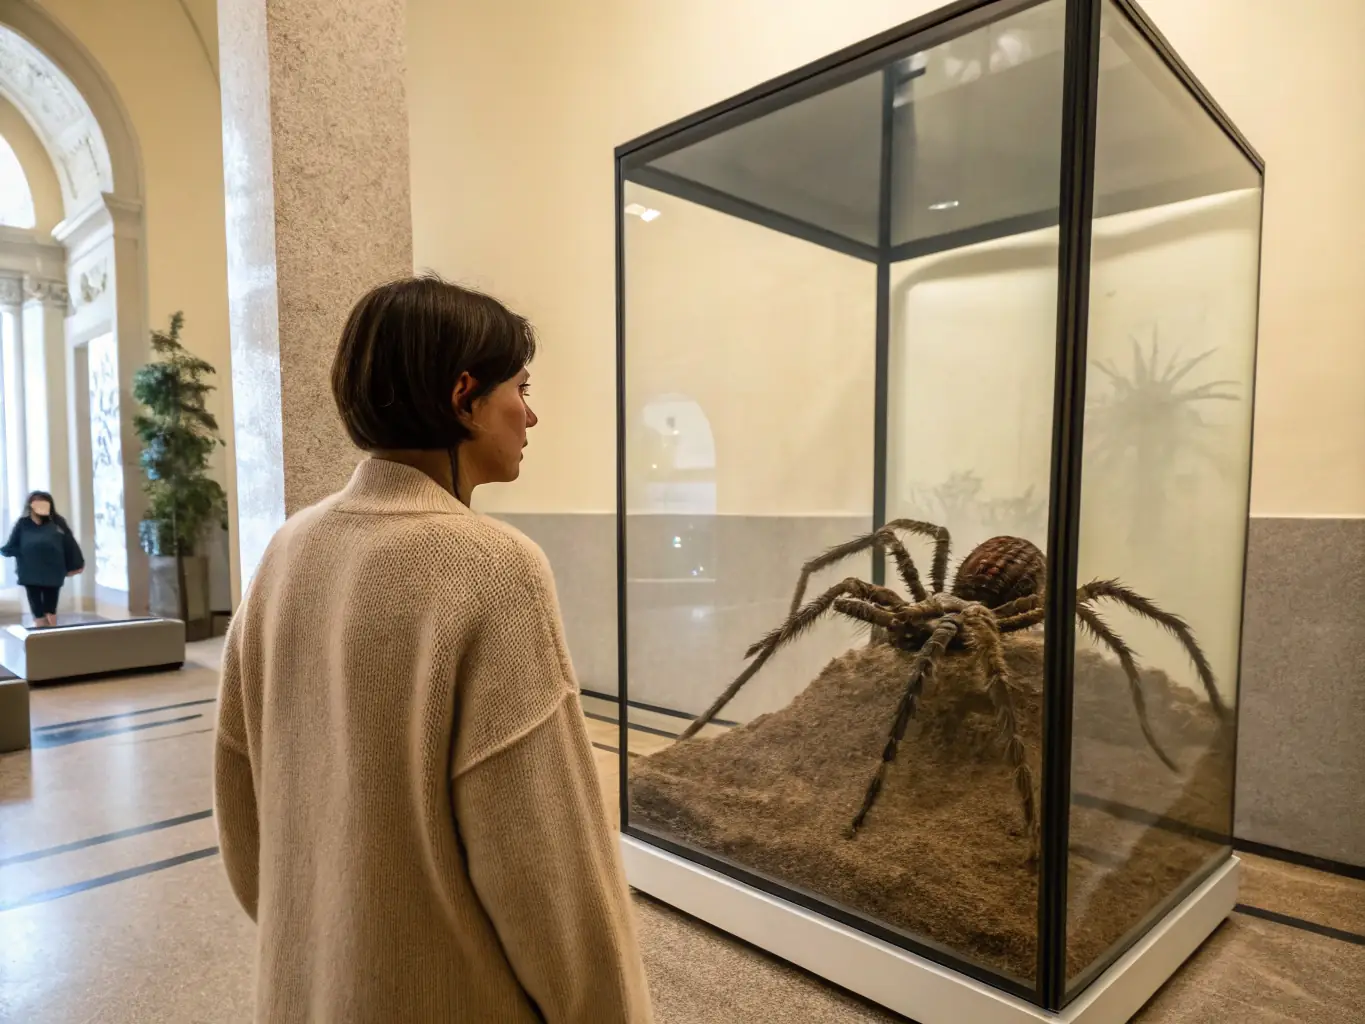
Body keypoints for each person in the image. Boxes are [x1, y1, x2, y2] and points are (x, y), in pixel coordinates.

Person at [213, 276, 653, 1023]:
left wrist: (319, 936)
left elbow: (240, 789)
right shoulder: (491, 568)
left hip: (312, 986)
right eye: (520, 386)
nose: (530, 414)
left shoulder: (288, 550)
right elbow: (545, 865)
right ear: (462, 396)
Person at [1, 491, 84, 627]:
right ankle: (40, 629)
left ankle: (49, 632)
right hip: (30, 571)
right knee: (37, 608)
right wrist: (8, 551)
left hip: (53, 570)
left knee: (50, 607)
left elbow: (69, 543)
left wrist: (75, 564)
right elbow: (13, 544)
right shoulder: (23, 524)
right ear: (30, 506)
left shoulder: (57, 522)